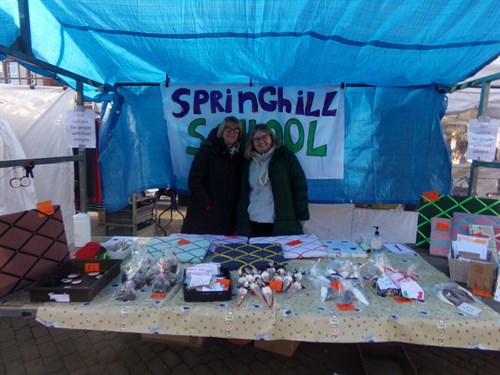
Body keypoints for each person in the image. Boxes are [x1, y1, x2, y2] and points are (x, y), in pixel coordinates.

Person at [237, 124, 309, 237]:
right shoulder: (247, 162)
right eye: (256, 139)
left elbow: (299, 188)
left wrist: (302, 216)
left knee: (278, 254)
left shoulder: (285, 157)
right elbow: (242, 193)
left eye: (264, 137)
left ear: (271, 138)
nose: (261, 141)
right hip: (253, 222)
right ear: (252, 142)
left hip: (280, 223)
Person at [181, 116, 244, 235]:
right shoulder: (208, 150)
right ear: (221, 131)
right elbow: (194, 181)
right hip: (203, 217)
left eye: (236, 130)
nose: (232, 133)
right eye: (228, 129)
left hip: (226, 219)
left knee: (222, 252)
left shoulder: (239, 156)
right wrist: (207, 204)